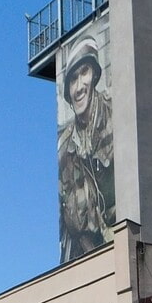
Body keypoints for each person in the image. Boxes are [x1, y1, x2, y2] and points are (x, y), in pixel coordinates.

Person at [58, 34, 115, 262]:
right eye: (73, 79)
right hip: (91, 261)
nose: (79, 86)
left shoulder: (116, 115)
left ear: (94, 76)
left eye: (84, 73)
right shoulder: (64, 149)